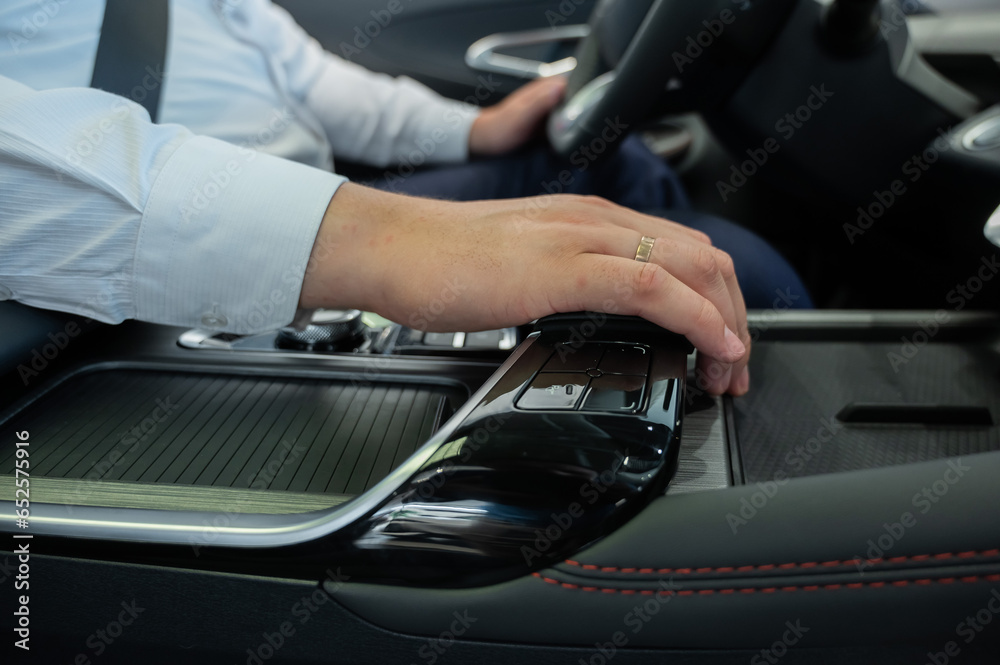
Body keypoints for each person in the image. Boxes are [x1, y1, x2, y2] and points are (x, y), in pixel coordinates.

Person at [0, 0, 807, 396]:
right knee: (722, 261)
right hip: (196, 255)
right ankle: (762, 351)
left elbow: (322, 83)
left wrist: (478, 130)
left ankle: (720, 319)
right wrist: (374, 242)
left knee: (614, 169)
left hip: (318, 193)